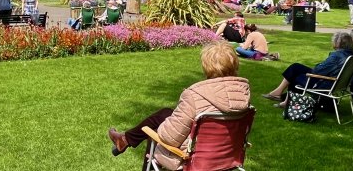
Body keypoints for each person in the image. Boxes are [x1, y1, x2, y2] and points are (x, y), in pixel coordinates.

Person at [107, 41, 250, 170]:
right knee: (165, 113)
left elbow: (169, 137)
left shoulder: (194, 95)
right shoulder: (243, 95)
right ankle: (124, 140)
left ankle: (125, 140)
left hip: (195, 158)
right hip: (228, 155)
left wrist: (163, 126)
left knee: (155, 130)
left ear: (206, 66)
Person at [262, 32, 353, 108]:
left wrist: (319, 65)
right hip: (336, 83)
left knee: (295, 75)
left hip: (324, 84)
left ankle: (283, 99)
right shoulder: (351, 55)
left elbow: (317, 70)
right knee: (296, 67)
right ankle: (280, 96)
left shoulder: (336, 56)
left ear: (338, 43)